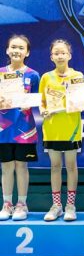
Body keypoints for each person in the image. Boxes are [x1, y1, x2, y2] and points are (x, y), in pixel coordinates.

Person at [39, 39, 84, 221]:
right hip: (52, 129)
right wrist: (43, 110)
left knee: (71, 165)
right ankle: (56, 206)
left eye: (63, 53)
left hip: (71, 128)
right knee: (55, 166)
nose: (60, 56)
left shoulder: (77, 76)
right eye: (56, 53)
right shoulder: (46, 77)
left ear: (69, 55)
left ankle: (70, 205)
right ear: (51, 57)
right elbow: (41, 102)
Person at [0, 35, 40, 221]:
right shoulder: (1, 73)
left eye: (21, 48)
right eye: (13, 47)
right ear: (7, 50)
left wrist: (29, 104)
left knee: (22, 166)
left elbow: (38, 100)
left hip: (24, 129)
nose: (16, 51)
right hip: (3, 129)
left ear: (27, 52)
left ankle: (22, 204)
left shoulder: (33, 75)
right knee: (6, 167)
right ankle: (7, 204)